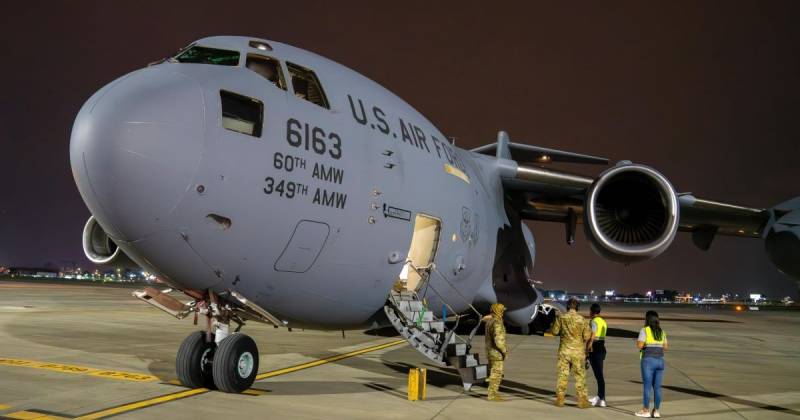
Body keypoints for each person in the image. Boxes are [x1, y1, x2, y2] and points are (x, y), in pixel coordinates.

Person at [551, 298, 592, 408]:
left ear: (567, 307)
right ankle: (582, 401)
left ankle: (560, 399)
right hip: (578, 352)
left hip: (564, 351)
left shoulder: (561, 317)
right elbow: (587, 336)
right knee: (580, 376)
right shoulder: (582, 320)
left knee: (562, 375)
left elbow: (554, 332)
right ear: (577, 307)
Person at [635, 310, 668, 418]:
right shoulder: (661, 332)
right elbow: (666, 347)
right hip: (660, 361)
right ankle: (657, 411)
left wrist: (645, 344)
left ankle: (645, 411)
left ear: (647, 319)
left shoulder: (645, 330)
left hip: (648, 361)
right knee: (657, 388)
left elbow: (639, 345)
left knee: (647, 387)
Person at [484, 303, 508, 401]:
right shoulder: (497, 322)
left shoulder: (489, 321)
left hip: (490, 351)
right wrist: (504, 351)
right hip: (496, 353)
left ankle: (492, 393)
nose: (503, 312)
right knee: (496, 374)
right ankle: (492, 395)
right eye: (502, 310)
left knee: (492, 373)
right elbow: (499, 341)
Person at [586, 303, 607, 407]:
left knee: (599, 376)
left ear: (592, 312)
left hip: (596, 348)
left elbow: (593, 335)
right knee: (599, 375)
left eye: (590, 311)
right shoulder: (603, 321)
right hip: (602, 348)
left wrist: (588, 348)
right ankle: (600, 397)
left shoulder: (593, 321)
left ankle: (602, 398)